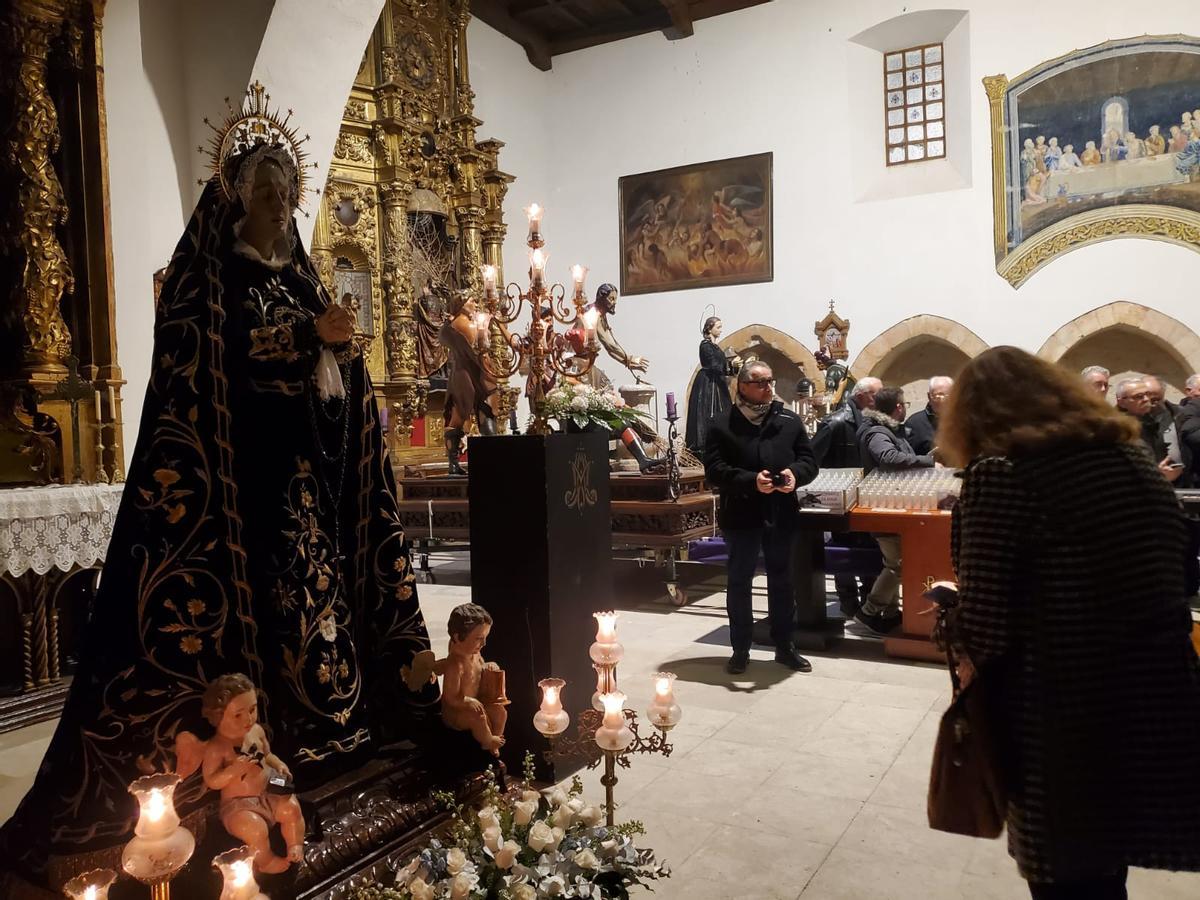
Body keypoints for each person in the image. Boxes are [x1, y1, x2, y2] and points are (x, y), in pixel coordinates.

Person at [0, 136, 437, 891]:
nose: (279, 201)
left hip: (306, 486)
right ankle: (264, 751)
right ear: (237, 193)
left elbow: (330, 384)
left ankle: (335, 735)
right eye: (265, 188)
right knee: (262, 618)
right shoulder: (211, 275)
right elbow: (204, 356)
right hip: (238, 493)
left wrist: (341, 354)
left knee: (316, 613)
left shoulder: (299, 276)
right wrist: (306, 338)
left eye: (286, 188)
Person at [936, 346, 1200, 899]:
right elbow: (1173, 561)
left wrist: (949, 616)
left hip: (1063, 702)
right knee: (1108, 859)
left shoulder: (1001, 472)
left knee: (1068, 871)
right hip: (1155, 685)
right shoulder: (1127, 456)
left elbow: (986, 623)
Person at [704, 361, 818, 675]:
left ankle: (785, 646)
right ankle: (741, 648)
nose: (768, 388)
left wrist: (795, 475)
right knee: (739, 582)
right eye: (760, 382)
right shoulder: (721, 423)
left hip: (781, 513)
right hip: (741, 513)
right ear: (741, 386)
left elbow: (809, 460)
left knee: (782, 581)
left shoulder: (788, 420)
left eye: (770, 381)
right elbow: (714, 471)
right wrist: (749, 481)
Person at [856, 387, 935, 634]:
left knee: (893, 561)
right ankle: (868, 612)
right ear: (898, 407)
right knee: (898, 563)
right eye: (905, 404)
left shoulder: (887, 430)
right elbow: (889, 457)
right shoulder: (878, 432)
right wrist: (928, 461)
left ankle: (890, 614)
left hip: (892, 503)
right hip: (884, 504)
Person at [811, 377, 882, 617]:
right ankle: (848, 601)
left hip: (868, 496)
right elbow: (811, 459)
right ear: (862, 395)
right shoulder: (835, 423)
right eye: (877, 395)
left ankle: (871, 602)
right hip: (841, 498)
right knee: (845, 550)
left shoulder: (873, 421)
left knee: (871, 548)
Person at [685, 315, 738, 453]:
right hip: (708, 384)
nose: (721, 330)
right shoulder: (705, 346)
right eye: (718, 327)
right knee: (708, 412)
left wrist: (734, 366)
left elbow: (723, 367)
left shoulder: (716, 347)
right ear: (709, 328)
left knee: (724, 411)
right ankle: (706, 446)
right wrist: (729, 364)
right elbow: (712, 364)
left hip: (718, 383)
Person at [1115, 377, 1181, 483]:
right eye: (1138, 396)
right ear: (1122, 402)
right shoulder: (1117, 428)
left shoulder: (1158, 420)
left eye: (1147, 394)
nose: (1146, 399)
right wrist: (1155, 474)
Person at [904, 375, 953, 456]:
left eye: (947, 396)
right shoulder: (914, 424)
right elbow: (906, 457)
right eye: (937, 396)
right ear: (929, 397)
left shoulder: (963, 420)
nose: (943, 401)